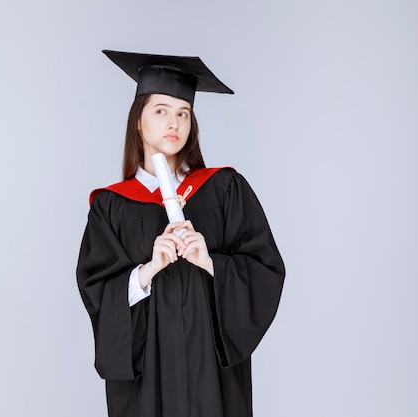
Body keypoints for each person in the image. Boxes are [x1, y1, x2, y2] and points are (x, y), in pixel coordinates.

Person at [76, 50, 285, 417]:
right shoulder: (111, 207)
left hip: (213, 381)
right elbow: (98, 292)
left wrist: (211, 263)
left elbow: (265, 271)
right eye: (160, 110)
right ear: (138, 122)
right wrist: (146, 272)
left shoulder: (224, 190)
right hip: (147, 384)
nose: (173, 122)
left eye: (182, 113)